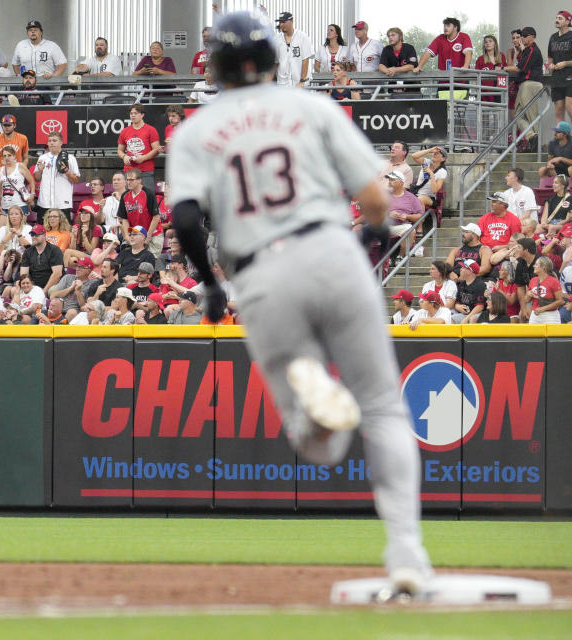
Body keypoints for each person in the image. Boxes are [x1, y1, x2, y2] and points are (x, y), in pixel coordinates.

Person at [169, 10, 431, 597]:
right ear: (271, 58)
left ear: (214, 66)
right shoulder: (309, 106)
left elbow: (186, 216)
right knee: (385, 409)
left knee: (316, 445)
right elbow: (373, 195)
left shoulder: (196, 129)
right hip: (330, 247)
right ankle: (408, 555)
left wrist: (209, 284)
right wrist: (368, 232)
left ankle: (316, 398)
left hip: (260, 273)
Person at [503, 27, 543, 151]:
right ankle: (532, 137)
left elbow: (520, 68)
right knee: (517, 116)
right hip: (524, 85)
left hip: (531, 84)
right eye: (522, 36)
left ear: (532, 37)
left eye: (525, 36)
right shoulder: (526, 50)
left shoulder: (532, 49)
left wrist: (504, 68)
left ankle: (537, 146)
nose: (522, 38)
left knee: (531, 115)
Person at [118, 169, 163, 258]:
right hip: (135, 235)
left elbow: (156, 217)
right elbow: (124, 218)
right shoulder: (125, 196)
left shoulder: (148, 193)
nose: (128, 182)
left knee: (152, 262)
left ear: (139, 180)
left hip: (153, 233)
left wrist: (148, 237)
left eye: (131, 180)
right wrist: (127, 236)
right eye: (127, 180)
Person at [35, 132, 80, 220]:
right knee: (43, 232)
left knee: (63, 232)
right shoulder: (42, 158)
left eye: (54, 141)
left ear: (61, 142)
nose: (51, 143)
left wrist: (67, 171)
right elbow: (37, 178)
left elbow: (76, 180)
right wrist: (40, 170)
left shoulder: (70, 158)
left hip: (62, 203)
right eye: (49, 141)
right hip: (45, 202)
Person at [117, 104, 160, 193]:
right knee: (129, 199)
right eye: (131, 113)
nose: (133, 115)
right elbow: (119, 150)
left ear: (142, 115)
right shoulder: (125, 131)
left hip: (146, 171)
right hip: (129, 171)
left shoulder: (151, 130)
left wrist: (143, 158)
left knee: (148, 198)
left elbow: (156, 150)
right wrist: (124, 157)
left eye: (135, 113)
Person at [0, 144, 35, 227]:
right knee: (0, 232)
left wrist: (32, 194)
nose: (7, 158)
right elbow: (0, 189)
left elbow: (31, 181)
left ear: (14, 156)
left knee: (18, 232)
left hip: (19, 205)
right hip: (5, 205)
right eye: (4, 156)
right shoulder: (0, 170)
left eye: (9, 155)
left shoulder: (20, 166)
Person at [20, 224, 64, 294]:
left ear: (44, 235)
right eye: (32, 235)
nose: (33, 237)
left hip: (51, 285)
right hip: (33, 286)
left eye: (36, 235)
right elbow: (24, 275)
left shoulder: (54, 250)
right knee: (12, 290)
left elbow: (57, 274)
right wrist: (30, 288)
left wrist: (44, 291)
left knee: (51, 291)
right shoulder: (28, 252)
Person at [275, 12, 312, 88]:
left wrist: (302, 81)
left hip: (299, 83)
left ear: (292, 21)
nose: (281, 24)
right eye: (280, 22)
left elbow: (305, 60)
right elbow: (275, 62)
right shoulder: (276, 39)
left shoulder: (302, 37)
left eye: (284, 22)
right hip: (282, 83)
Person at [549, 11, 572, 126]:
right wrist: (551, 65)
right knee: (559, 111)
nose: (557, 20)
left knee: (570, 108)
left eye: (560, 18)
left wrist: (565, 63)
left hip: (570, 77)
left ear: (568, 22)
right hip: (557, 78)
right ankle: (562, 142)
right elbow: (550, 57)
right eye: (557, 17)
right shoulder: (553, 37)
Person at [527, 255, 565, 323]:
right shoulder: (533, 280)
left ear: (543, 267)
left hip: (550, 316)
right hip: (535, 315)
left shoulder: (554, 281)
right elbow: (526, 300)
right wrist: (528, 294)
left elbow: (561, 301)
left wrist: (543, 309)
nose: (533, 266)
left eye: (536, 264)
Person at [451, 260, 487, 324]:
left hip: (477, 314)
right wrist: (458, 307)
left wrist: (466, 319)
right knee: (450, 319)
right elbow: (457, 301)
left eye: (463, 268)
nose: (460, 269)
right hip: (465, 314)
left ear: (469, 272)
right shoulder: (462, 284)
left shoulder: (480, 285)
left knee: (472, 319)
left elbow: (480, 307)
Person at [475, 35, 506, 103]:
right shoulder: (480, 59)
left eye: (490, 41)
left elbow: (506, 72)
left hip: (499, 92)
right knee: (484, 113)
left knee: (497, 112)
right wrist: (477, 92)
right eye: (485, 42)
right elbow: (476, 78)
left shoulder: (501, 56)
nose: (487, 43)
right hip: (485, 92)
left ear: (495, 43)